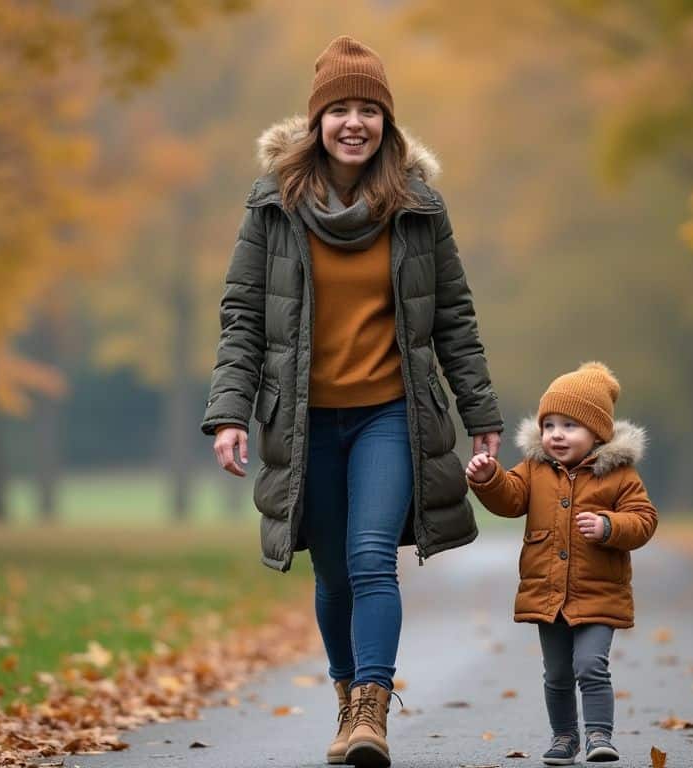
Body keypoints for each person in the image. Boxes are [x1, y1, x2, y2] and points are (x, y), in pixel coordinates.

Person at [201, 35, 503, 768]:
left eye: (369, 108)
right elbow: (243, 315)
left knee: (372, 559)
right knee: (332, 570)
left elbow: (454, 318)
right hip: (304, 422)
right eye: (340, 109)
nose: (354, 123)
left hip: (390, 414)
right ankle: (346, 699)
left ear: (388, 123)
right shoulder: (273, 206)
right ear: (317, 122)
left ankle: (371, 709)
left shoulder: (419, 208)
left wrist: (482, 415)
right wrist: (229, 412)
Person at [465, 362, 657, 765]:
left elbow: (644, 520)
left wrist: (609, 526)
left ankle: (599, 736)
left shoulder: (619, 475)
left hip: (599, 591)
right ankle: (564, 738)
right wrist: (489, 479)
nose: (556, 434)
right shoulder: (534, 469)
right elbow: (511, 498)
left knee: (590, 665)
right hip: (547, 592)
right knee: (556, 674)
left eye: (569, 426)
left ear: (598, 432)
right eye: (549, 424)